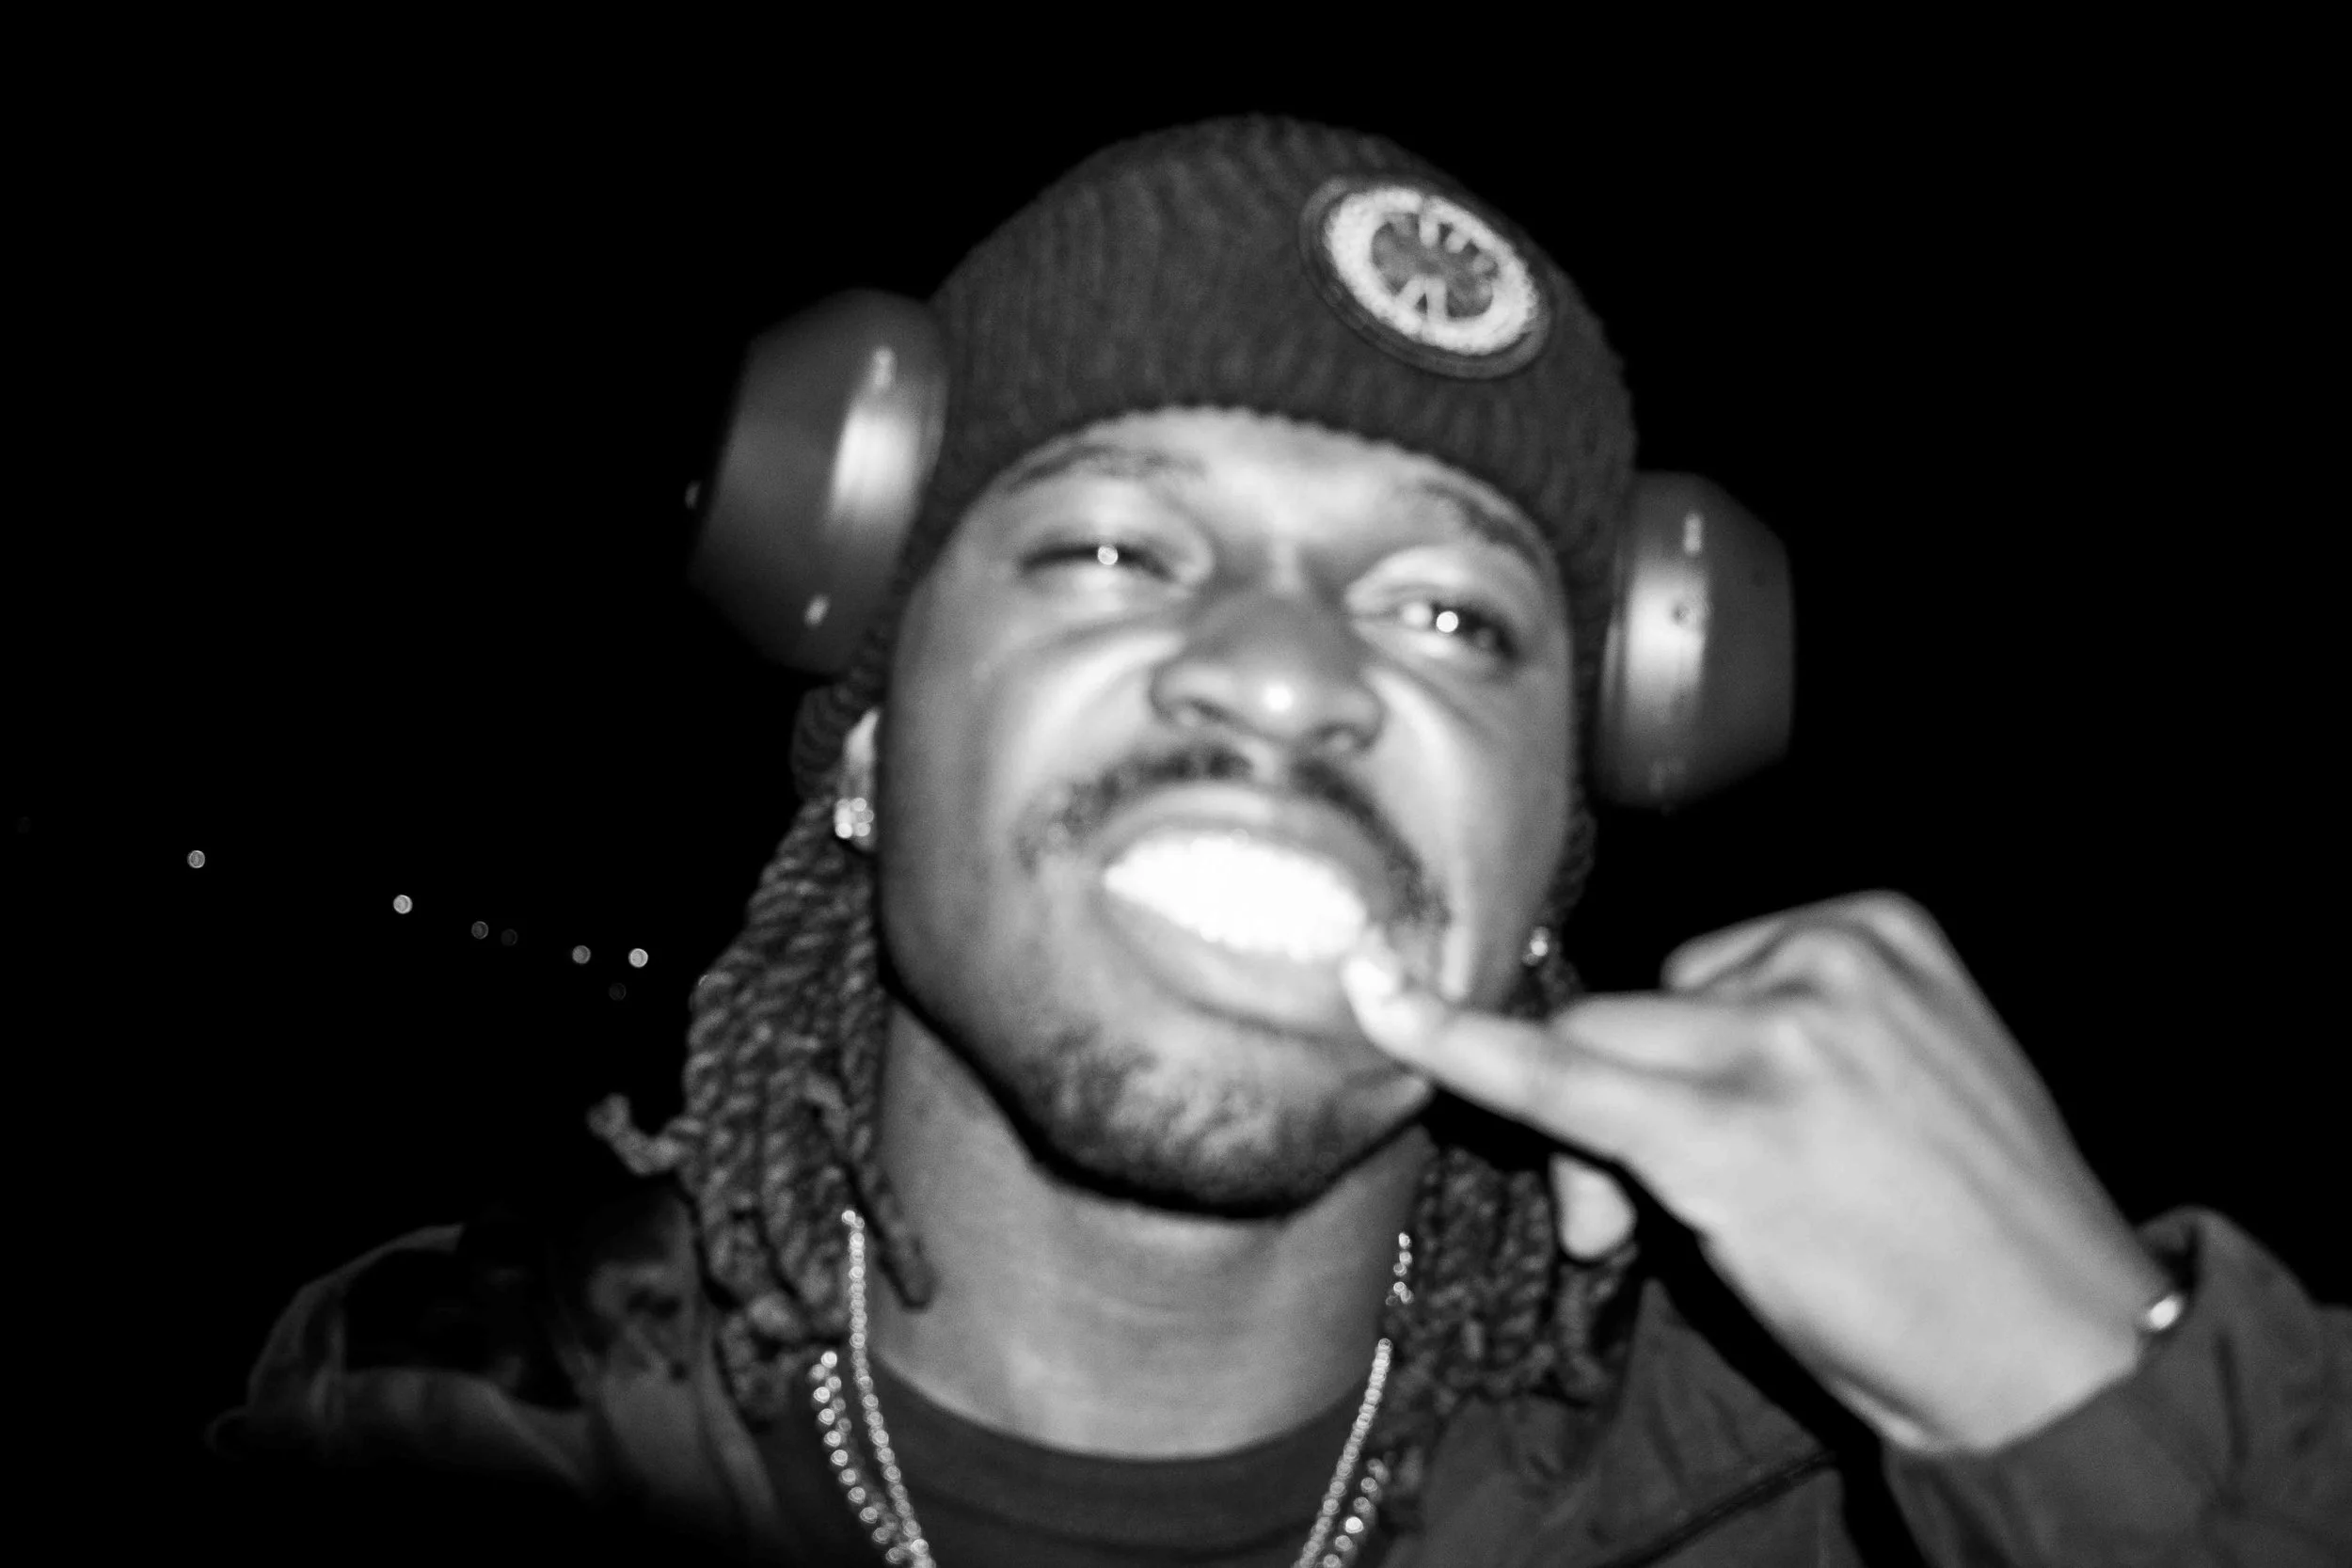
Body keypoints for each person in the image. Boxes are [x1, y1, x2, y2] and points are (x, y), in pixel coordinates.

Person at [208, 116, 2352, 1567]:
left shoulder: (1809, 1510)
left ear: (1545, 868)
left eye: (1447, 613)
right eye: (1117, 545)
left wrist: (2118, 1429)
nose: (1283, 671)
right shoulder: (434, 1422)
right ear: (861, 746)